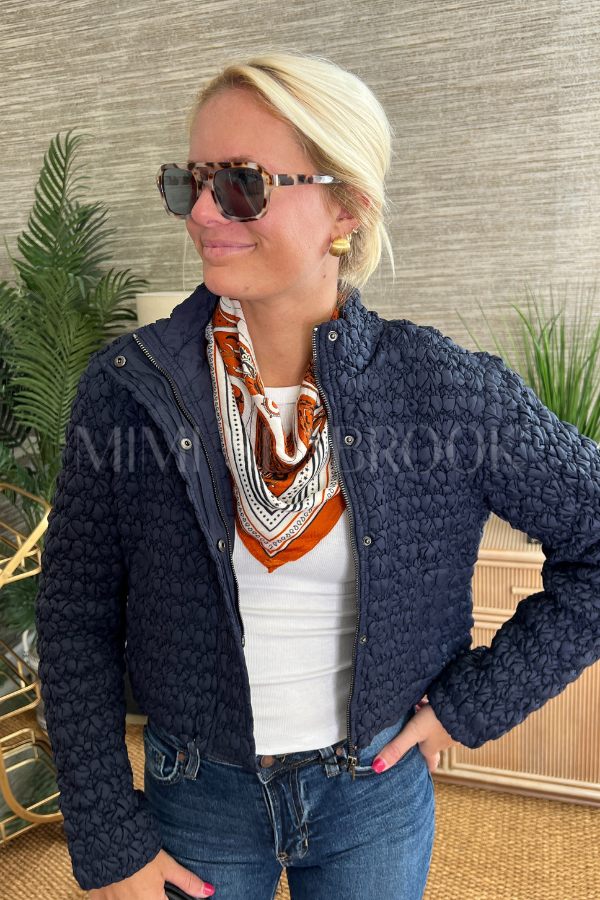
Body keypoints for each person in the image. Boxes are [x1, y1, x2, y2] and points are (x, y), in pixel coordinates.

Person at [34, 50, 600, 900]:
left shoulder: (441, 390)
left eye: (243, 185)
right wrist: (109, 836)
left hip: (372, 792)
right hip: (195, 793)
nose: (203, 213)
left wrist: (471, 705)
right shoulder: (130, 390)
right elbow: (74, 616)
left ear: (347, 207)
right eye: (189, 183)